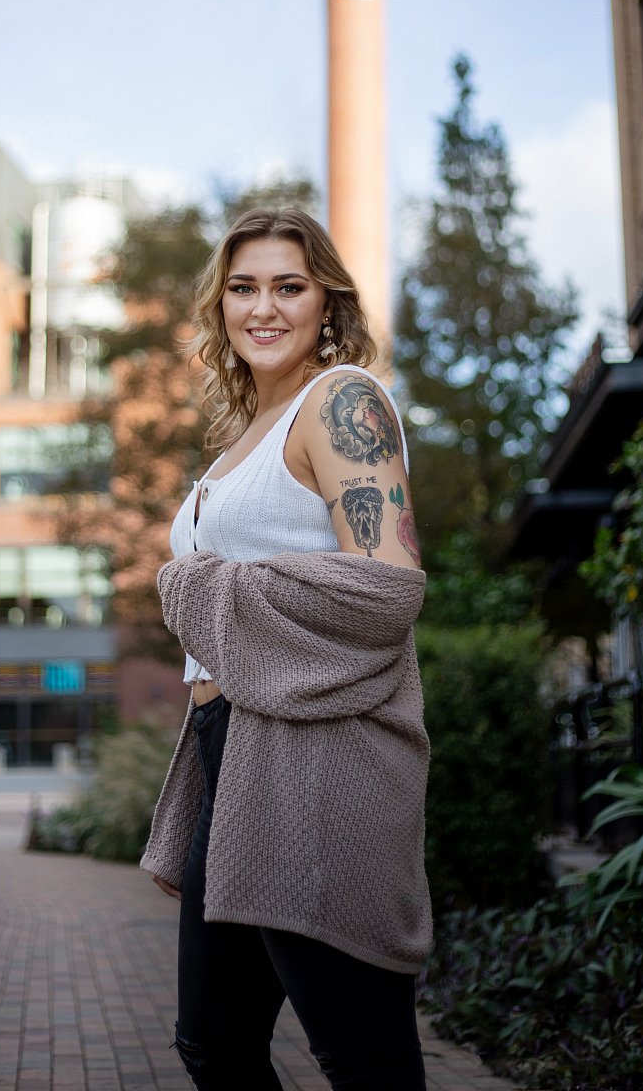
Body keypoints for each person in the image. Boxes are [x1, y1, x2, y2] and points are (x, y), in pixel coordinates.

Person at [141, 208, 431, 1091]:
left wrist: (199, 586)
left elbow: (387, 590)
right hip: (232, 754)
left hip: (314, 759)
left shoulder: (340, 401)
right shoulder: (244, 434)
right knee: (214, 1045)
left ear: (326, 302)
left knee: (364, 1058)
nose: (263, 308)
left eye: (288, 286)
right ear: (220, 305)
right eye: (243, 288)